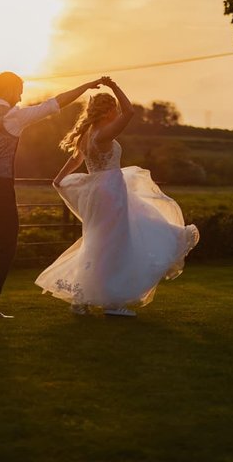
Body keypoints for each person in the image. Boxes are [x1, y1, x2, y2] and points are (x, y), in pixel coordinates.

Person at [35, 77, 200, 317]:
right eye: (114, 108)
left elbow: (76, 159)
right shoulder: (103, 133)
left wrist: (58, 178)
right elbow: (130, 111)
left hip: (97, 191)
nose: (117, 111)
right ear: (109, 110)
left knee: (99, 243)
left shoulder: (88, 134)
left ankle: (82, 299)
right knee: (115, 243)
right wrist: (113, 86)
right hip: (110, 190)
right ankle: (112, 303)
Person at [0, 71, 104, 319]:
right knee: (6, 246)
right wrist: (87, 86)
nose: (22, 95)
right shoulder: (13, 117)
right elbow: (54, 104)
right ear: (11, 90)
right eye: (21, 89)